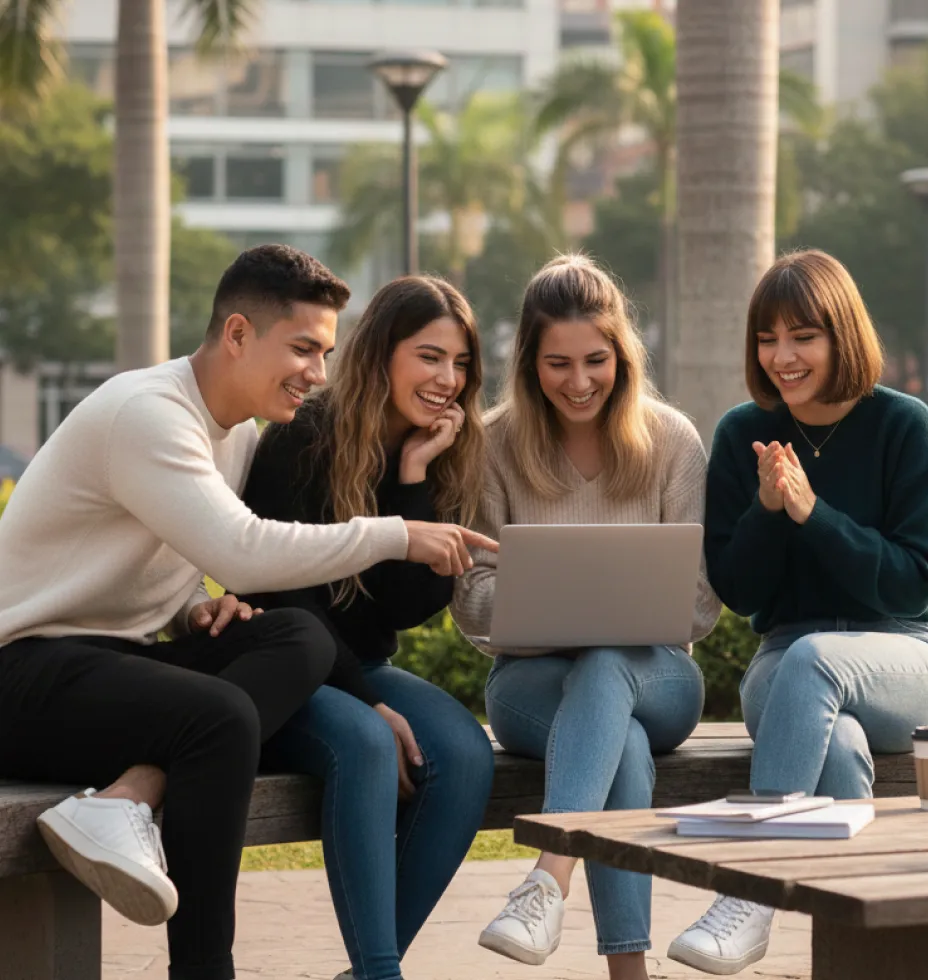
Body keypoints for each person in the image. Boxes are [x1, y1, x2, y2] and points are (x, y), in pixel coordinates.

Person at [0, 245, 496, 980]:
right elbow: (243, 551)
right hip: (25, 672)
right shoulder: (149, 412)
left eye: (325, 352)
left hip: (107, 663)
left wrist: (191, 614)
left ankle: (131, 794)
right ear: (237, 334)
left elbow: (162, 561)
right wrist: (399, 533)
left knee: (293, 636)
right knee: (222, 721)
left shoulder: (233, 432)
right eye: (301, 348)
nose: (317, 373)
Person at [667, 249, 928, 976]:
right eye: (767, 339)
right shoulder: (743, 433)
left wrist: (812, 513)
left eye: (803, 336)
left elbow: (913, 585)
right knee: (835, 743)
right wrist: (768, 511)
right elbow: (741, 592)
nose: (782, 357)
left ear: (842, 335)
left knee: (815, 663)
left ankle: (750, 893)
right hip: (785, 660)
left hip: (906, 658)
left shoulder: (905, 427)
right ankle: (874, 956)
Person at [451, 254, 721, 980]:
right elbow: (470, 607)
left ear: (622, 354)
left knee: (608, 665)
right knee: (620, 747)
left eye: (595, 360)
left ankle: (548, 877)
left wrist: (586, 619)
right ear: (530, 363)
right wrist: (550, 614)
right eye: (557, 363)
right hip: (529, 688)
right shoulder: (494, 444)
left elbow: (699, 604)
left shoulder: (673, 442)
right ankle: (628, 972)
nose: (578, 382)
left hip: (659, 681)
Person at [240, 275, 496, 980]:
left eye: (461, 362)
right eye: (429, 356)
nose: (448, 379)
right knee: (367, 746)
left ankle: (368, 972)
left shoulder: (435, 451)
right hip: (283, 673)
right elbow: (281, 592)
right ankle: (381, 973)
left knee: (466, 756)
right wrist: (367, 701)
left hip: (360, 672)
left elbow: (405, 609)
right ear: (383, 352)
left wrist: (415, 477)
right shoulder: (306, 438)